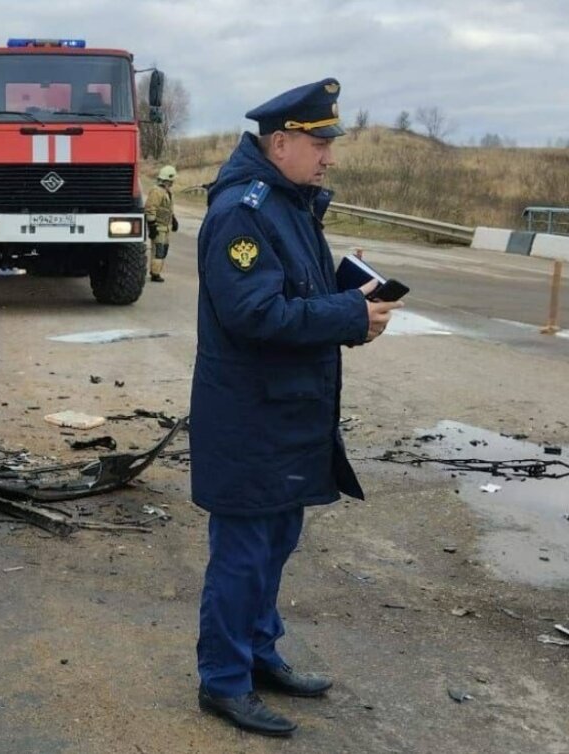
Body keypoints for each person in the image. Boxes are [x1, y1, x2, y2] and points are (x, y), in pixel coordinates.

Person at [190, 78, 403, 737]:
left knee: (275, 543)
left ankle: (257, 653)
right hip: (250, 420)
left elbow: (289, 291)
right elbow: (253, 312)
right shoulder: (244, 211)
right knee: (244, 552)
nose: (328, 157)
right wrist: (345, 313)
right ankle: (223, 682)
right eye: (319, 144)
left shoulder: (291, 203)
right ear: (280, 143)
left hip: (283, 417)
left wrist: (348, 294)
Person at [144, 165, 178, 282]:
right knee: (158, 250)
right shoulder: (156, 191)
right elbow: (150, 208)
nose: (173, 182)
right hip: (159, 227)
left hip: (166, 228)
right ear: (167, 179)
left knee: (163, 250)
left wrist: (173, 219)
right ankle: (155, 273)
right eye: (172, 180)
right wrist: (152, 225)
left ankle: (157, 271)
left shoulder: (167, 192)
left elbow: (168, 208)